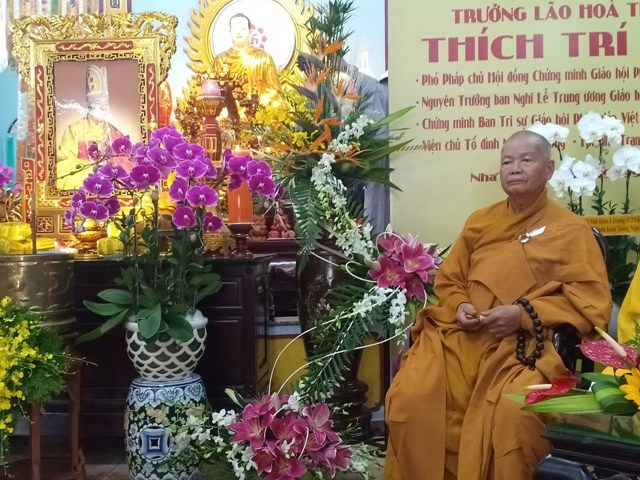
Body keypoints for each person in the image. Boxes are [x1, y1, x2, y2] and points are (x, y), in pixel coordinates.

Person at [384, 130, 612, 480]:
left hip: (526, 348)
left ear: (549, 169)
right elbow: (451, 280)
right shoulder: (480, 221)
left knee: (512, 415)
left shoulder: (572, 230)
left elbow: (590, 303)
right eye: (507, 161)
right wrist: (460, 305)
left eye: (526, 160)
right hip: (462, 340)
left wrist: (522, 315)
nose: (514, 168)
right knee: (412, 397)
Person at [56, 64, 129, 190]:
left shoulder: (114, 132)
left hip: (108, 185)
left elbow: (125, 162)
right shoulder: (74, 129)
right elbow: (63, 161)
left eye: (106, 104)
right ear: (89, 106)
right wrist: (92, 168)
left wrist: (109, 167)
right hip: (81, 183)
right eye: (99, 104)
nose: (103, 108)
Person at [212, 13, 282, 97]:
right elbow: (213, 91)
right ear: (230, 32)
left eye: (243, 29)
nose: (239, 32)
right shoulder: (221, 59)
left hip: (258, 103)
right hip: (229, 104)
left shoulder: (263, 58)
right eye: (235, 29)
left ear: (250, 32)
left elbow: (276, 91)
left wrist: (265, 99)